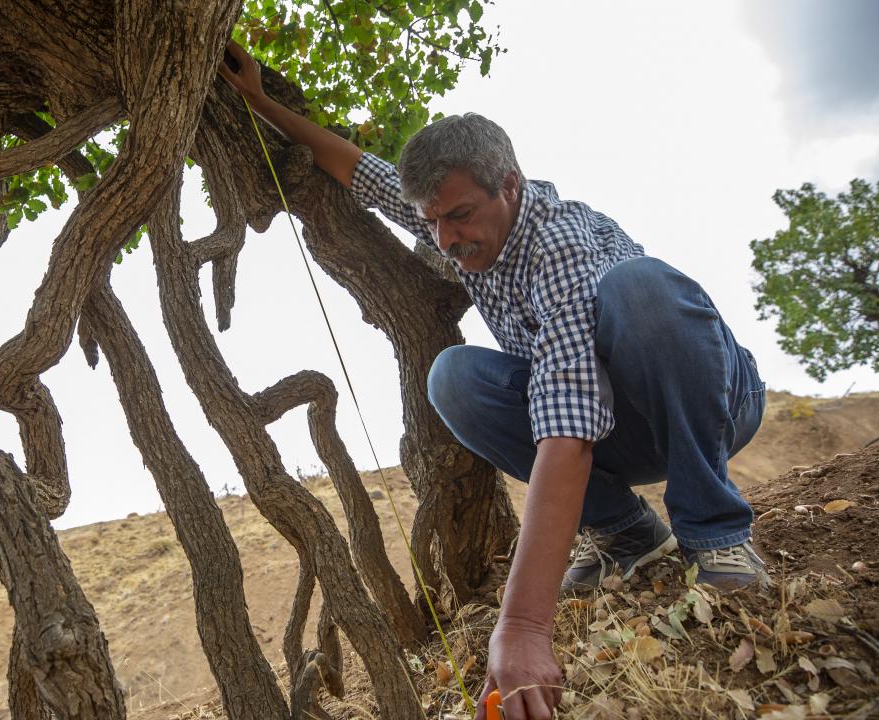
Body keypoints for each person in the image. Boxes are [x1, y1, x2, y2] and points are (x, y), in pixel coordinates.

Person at [220, 41, 768, 720]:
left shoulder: (559, 243)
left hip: (710, 406)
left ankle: (715, 531)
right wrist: (261, 103)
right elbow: (360, 171)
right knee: (454, 378)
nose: (445, 240)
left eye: (459, 217)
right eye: (432, 222)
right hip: (617, 426)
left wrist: (523, 629)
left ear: (509, 184)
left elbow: (567, 428)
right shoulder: (452, 206)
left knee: (641, 292)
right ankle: (631, 535)